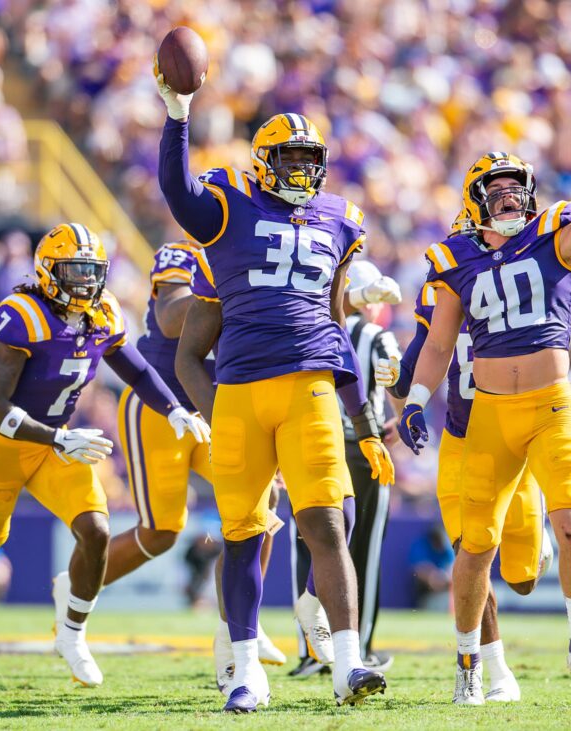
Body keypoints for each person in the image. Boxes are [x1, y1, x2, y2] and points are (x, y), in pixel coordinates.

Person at [157, 65, 395, 711]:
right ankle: (243, 669)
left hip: (310, 387)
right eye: (286, 158)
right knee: (242, 532)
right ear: (263, 161)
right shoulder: (229, 205)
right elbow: (178, 194)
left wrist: (366, 422)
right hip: (239, 388)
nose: (298, 169)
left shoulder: (341, 220)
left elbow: (337, 322)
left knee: (324, 521)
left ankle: (346, 662)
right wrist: (178, 115)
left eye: (307, 158)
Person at [396, 108, 571, 705]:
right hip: (487, 415)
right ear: (475, 201)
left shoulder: (554, 236)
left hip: (550, 408)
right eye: (497, 190)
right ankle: (468, 667)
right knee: (475, 547)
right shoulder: (454, 259)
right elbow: (436, 343)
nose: (510, 198)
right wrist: (415, 400)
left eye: (517, 188)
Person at [0, 222, 206, 692]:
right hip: (5, 445)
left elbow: (134, 368)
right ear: (48, 271)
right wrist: (54, 438)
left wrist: (173, 410)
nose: (85, 282)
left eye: (92, 271)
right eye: (74, 271)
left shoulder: (103, 312)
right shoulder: (24, 314)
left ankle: (72, 634)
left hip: (58, 443)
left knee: (95, 530)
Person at [57, 240, 286, 690]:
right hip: (158, 407)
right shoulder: (186, 255)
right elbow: (170, 318)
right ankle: (76, 583)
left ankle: (240, 624)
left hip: (213, 406)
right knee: (162, 530)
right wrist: (230, 285)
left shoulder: (263, 255)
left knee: (263, 500)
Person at [378, 210, 554, 702]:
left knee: (520, 580)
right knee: (469, 555)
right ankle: (493, 672)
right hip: (460, 441)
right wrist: (397, 389)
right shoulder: (440, 295)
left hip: (510, 437)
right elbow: (420, 360)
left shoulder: (516, 290)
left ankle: (537, 529)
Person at [290, 259, 402, 677]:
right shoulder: (375, 334)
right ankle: (359, 646)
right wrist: (397, 420)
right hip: (358, 445)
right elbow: (394, 381)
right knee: (361, 550)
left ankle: (310, 650)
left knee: (308, 545)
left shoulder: (309, 327)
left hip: (307, 440)